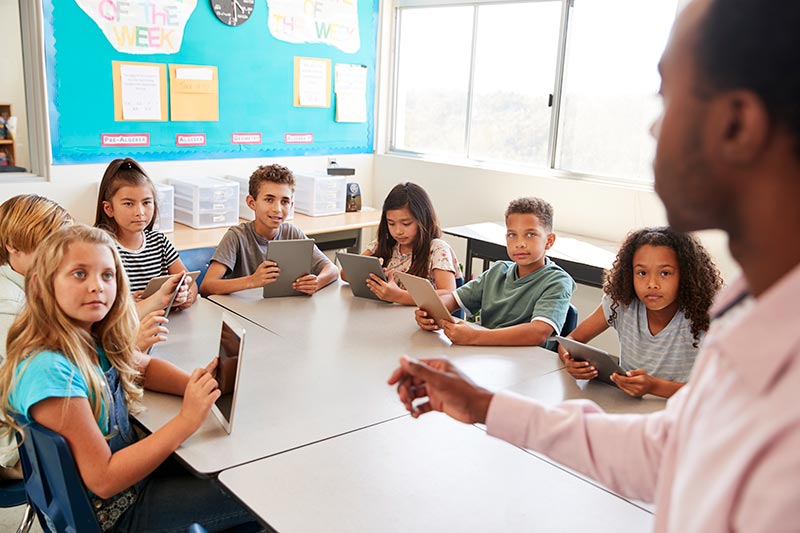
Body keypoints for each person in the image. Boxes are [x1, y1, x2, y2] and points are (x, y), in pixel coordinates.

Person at [388, 0, 800, 529]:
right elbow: (667, 450)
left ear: (737, 124)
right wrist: (486, 405)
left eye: (667, 98)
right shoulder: (750, 313)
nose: (654, 131)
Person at [0, 225, 259, 532]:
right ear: (43, 284)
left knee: (232, 463)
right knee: (255, 491)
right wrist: (187, 419)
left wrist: (196, 384)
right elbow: (104, 479)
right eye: (80, 274)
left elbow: (142, 367)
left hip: (130, 483)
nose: (97, 286)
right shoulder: (52, 373)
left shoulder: (88, 336)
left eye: (107, 275)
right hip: (117, 515)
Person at [560, 227, 722, 398]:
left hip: (682, 407)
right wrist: (569, 361)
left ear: (686, 275)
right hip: (627, 403)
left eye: (665, 273)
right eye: (642, 273)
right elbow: (569, 341)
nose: (652, 283)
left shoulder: (707, 315)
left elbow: (719, 387)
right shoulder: (620, 304)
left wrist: (654, 386)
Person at [414, 197, 575, 346]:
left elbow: (538, 333)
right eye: (512, 235)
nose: (520, 243)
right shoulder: (498, 271)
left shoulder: (558, 281)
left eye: (530, 234)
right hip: (487, 354)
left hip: (528, 361)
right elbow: (454, 299)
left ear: (549, 241)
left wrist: (474, 336)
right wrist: (432, 312)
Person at [0, 194, 72, 480]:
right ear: (12, 245)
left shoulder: (31, 282)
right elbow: (47, 376)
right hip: (17, 445)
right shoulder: (9, 304)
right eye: (48, 246)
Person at [95, 158, 196, 352]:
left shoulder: (159, 241)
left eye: (147, 202)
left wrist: (184, 296)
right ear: (109, 208)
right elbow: (104, 311)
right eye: (128, 204)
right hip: (124, 340)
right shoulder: (102, 249)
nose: (140, 212)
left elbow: (190, 282)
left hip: (165, 334)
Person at [200, 163, 339, 296]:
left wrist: (317, 282)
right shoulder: (236, 236)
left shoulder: (292, 233)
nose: (277, 209)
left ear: (291, 205)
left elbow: (332, 269)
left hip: (282, 308)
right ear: (252, 203)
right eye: (269, 200)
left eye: (284, 202)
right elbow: (207, 286)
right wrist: (252, 281)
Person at [342, 182, 461, 305]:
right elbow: (345, 274)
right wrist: (373, 275)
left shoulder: (437, 249)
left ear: (423, 220)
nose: (398, 231)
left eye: (406, 224)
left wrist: (398, 296)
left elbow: (448, 293)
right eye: (391, 223)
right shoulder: (384, 244)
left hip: (421, 315)